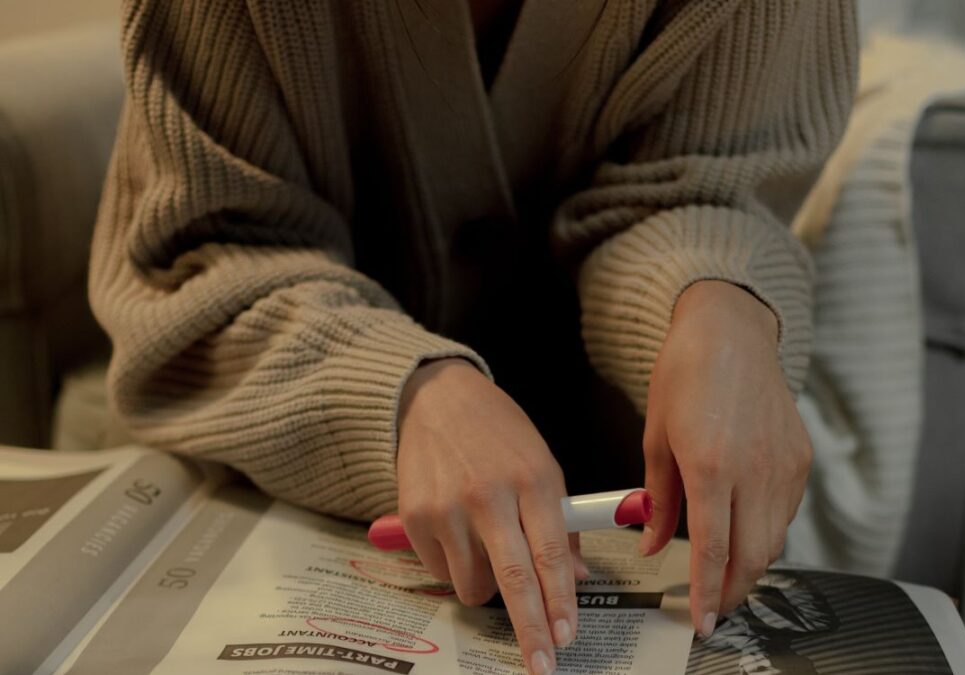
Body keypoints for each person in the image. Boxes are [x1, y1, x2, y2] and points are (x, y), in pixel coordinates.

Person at [88, 1, 857, 673]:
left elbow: (708, 182)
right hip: (262, 495)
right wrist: (405, 389)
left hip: (613, 540)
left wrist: (720, 302)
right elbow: (197, 261)